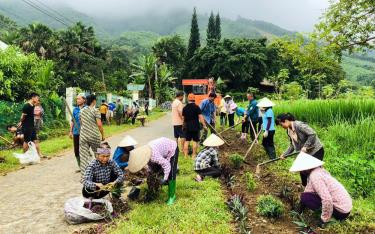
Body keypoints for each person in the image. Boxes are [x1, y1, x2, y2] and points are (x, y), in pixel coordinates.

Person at [289, 152, 352, 228]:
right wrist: (300, 206)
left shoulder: (315, 176)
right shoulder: (318, 170)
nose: (301, 172)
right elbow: (309, 188)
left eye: (302, 170)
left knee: (306, 198)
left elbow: (327, 199)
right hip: (346, 207)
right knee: (305, 196)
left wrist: (324, 220)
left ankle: (330, 217)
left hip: (341, 211)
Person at [276, 113, 325, 186]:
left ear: (286, 121)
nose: (281, 126)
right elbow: (292, 145)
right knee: (303, 171)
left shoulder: (299, 125)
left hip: (315, 151)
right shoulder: (289, 131)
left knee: (313, 172)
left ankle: (319, 187)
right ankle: (306, 188)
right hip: (305, 154)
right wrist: (285, 154)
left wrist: (305, 146)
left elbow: (312, 134)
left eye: (281, 124)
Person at [128, 137, 178, 205]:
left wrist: (165, 179)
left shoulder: (153, 156)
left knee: (171, 174)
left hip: (172, 148)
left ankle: (172, 196)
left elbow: (166, 164)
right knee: (154, 171)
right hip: (161, 149)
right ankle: (155, 191)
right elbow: (150, 166)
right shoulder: (145, 154)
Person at [79, 94, 105, 174]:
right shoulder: (95, 110)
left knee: (83, 156)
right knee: (99, 153)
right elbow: (99, 124)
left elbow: (81, 123)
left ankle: (84, 174)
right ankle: (100, 171)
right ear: (94, 101)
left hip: (83, 135)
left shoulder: (81, 110)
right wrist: (103, 135)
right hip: (94, 135)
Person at [182, 93, 207, 159]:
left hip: (187, 127)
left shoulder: (185, 108)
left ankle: (185, 156)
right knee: (195, 141)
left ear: (188, 99)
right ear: (194, 99)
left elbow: (183, 119)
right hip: (195, 126)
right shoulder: (196, 107)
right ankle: (193, 155)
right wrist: (204, 125)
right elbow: (201, 117)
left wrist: (183, 126)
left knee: (187, 141)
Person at [17, 93, 42, 157]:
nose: (38, 99)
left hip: (32, 126)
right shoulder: (26, 106)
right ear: (33, 98)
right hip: (27, 126)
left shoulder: (32, 105)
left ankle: (39, 155)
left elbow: (37, 105)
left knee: (36, 140)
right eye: (37, 98)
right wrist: (20, 122)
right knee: (26, 141)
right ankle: (25, 156)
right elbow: (22, 116)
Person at [69, 94, 85, 170]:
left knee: (85, 150)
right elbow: (72, 121)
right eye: (77, 99)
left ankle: (86, 165)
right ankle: (80, 166)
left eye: (79, 99)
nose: (77, 100)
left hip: (85, 133)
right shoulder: (75, 109)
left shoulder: (87, 108)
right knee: (76, 150)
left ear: (84, 100)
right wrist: (70, 131)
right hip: (76, 133)